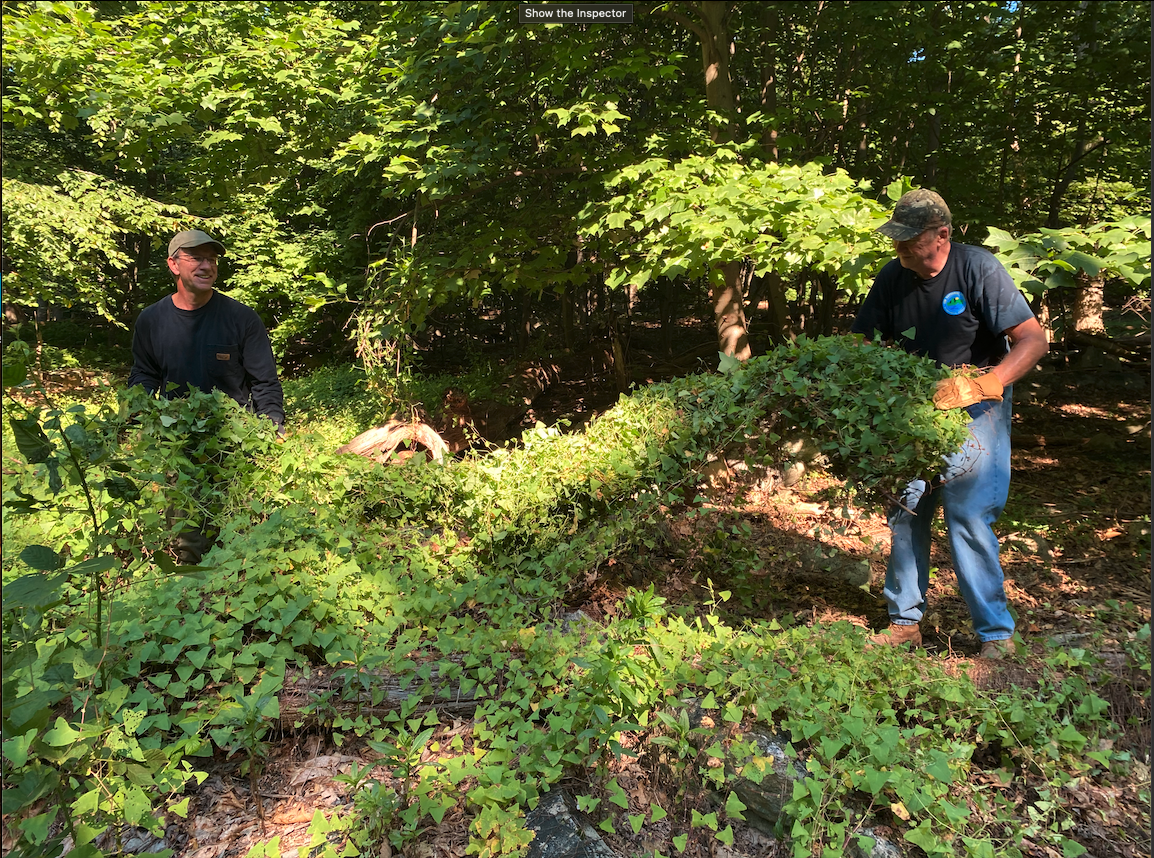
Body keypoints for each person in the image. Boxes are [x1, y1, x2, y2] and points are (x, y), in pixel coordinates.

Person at [850, 190, 1048, 659]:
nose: (899, 248)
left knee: (967, 515)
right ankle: (904, 623)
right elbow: (862, 342)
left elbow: (1032, 340)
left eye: (909, 238)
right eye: (896, 238)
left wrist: (985, 385)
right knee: (906, 509)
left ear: (942, 234)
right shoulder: (892, 277)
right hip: (911, 407)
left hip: (977, 406)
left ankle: (995, 634)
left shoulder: (977, 268)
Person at [127, 229, 285, 561]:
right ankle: (188, 592)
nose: (206, 266)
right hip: (177, 444)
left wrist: (272, 427)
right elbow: (144, 374)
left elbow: (265, 382)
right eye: (196, 258)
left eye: (211, 259)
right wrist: (132, 413)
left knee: (235, 532)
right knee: (187, 537)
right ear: (173, 265)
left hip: (234, 444)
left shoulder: (241, 319)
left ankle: (233, 591)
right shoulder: (152, 321)